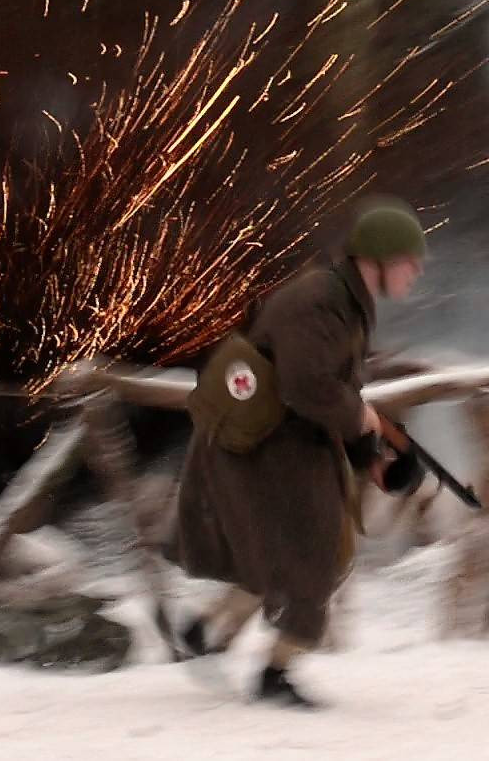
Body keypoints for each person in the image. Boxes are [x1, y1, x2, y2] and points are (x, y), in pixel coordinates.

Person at [164, 196, 427, 708]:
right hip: (260, 446)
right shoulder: (321, 301)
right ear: (377, 259)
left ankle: (202, 634)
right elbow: (307, 386)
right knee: (314, 552)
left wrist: (372, 458)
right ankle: (273, 674)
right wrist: (366, 420)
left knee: (278, 555)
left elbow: (332, 389)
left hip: (276, 445)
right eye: (409, 261)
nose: (416, 272)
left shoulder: (342, 304)